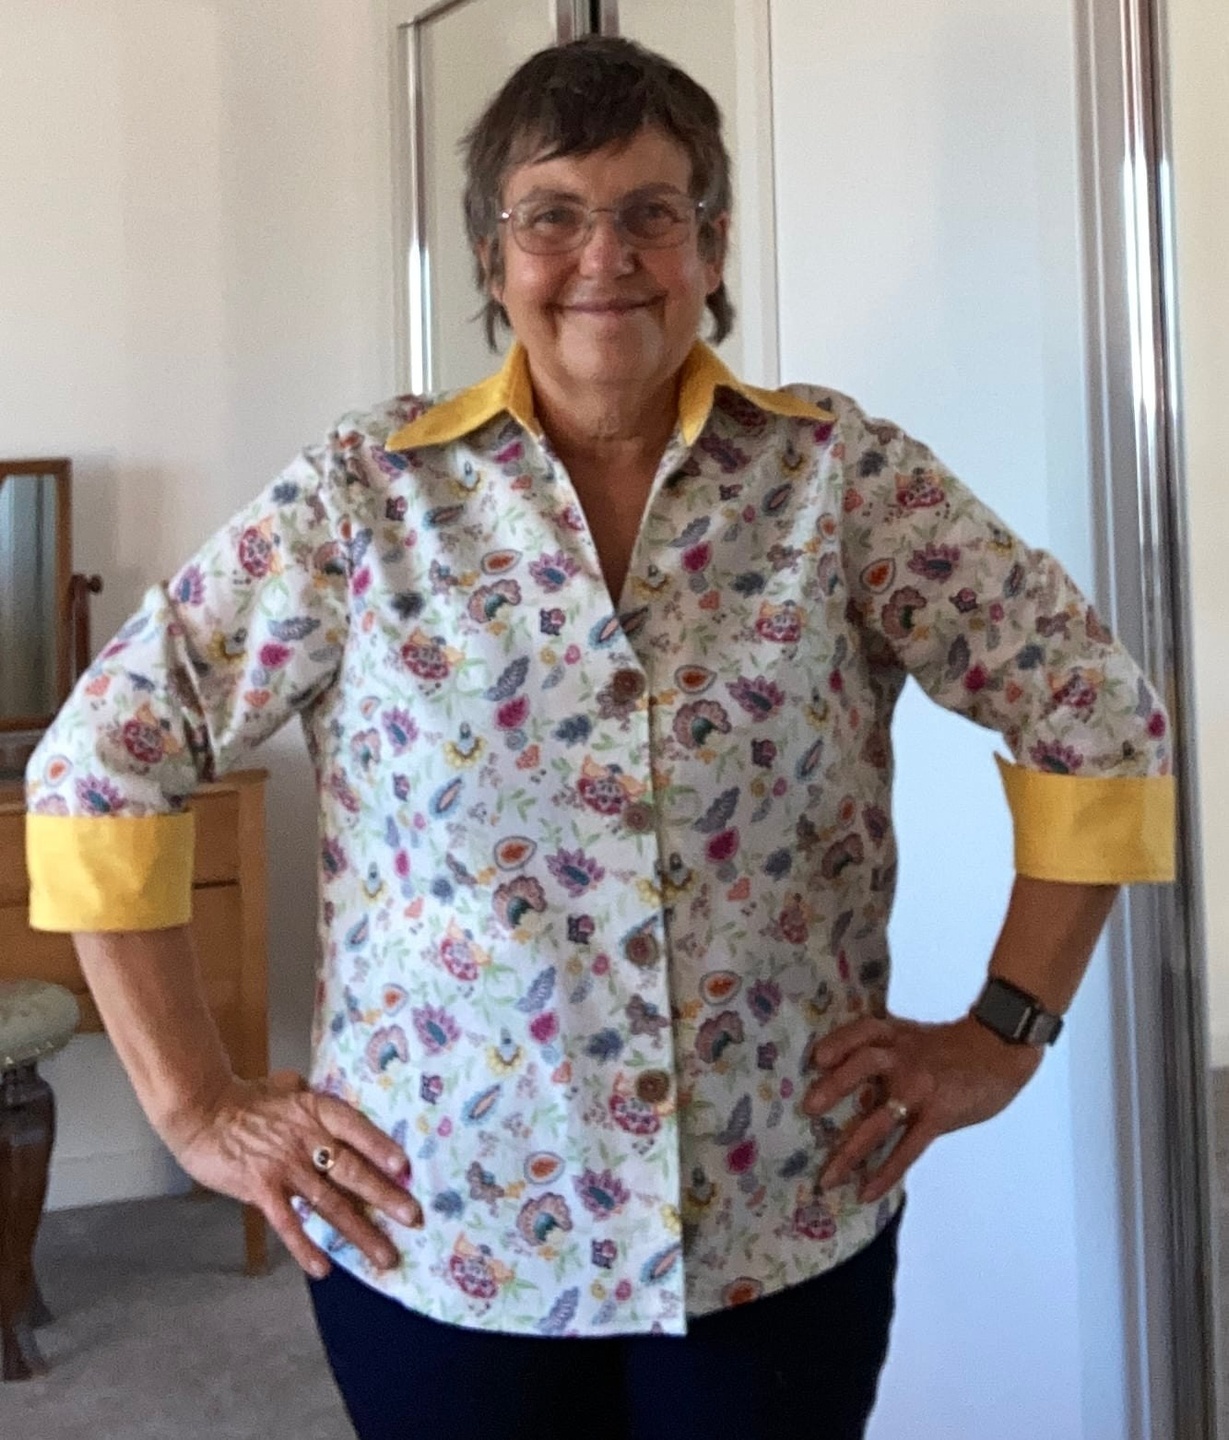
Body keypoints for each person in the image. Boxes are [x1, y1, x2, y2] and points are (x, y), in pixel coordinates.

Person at [25, 34, 1174, 1440]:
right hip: (443, 1234)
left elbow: (1096, 716)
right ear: (492, 254)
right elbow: (99, 764)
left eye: (651, 211)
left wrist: (1007, 1031)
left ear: (713, 244)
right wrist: (195, 1104)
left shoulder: (840, 481)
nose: (603, 256)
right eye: (551, 215)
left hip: (774, 1224)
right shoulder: (362, 501)